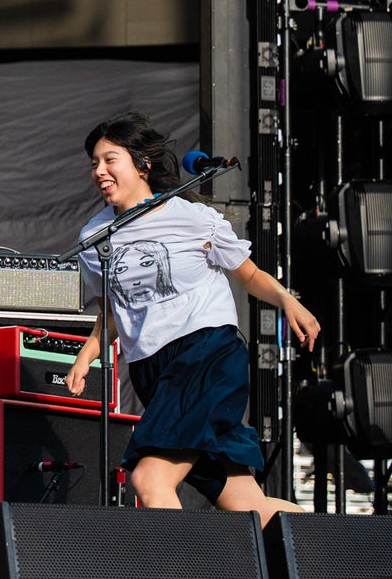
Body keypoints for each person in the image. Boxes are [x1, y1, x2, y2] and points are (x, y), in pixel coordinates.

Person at [64, 112, 319, 527]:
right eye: (94, 163)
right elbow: (111, 312)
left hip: (205, 354)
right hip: (152, 370)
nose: (99, 171)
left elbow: (249, 275)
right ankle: (333, 543)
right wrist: (85, 355)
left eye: (110, 160)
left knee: (149, 479)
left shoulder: (191, 216)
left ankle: (184, 568)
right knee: (247, 504)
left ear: (142, 164)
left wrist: (288, 301)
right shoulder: (94, 238)